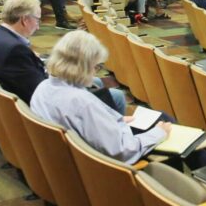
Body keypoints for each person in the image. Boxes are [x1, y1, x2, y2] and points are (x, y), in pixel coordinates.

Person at [30, 30, 170, 165]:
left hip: (66, 159)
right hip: (98, 166)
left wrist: (113, 122)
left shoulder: (43, 87)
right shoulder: (82, 102)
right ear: (83, 67)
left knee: (159, 118)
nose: (96, 72)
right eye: (96, 66)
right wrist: (158, 133)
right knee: (165, 122)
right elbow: (121, 151)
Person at [0, 0, 125, 113]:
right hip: (41, 107)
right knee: (117, 97)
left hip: (21, 94)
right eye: (37, 19)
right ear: (25, 20)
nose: (39, 26)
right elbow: (39, 90)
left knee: (95, 81)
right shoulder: (15, 49)